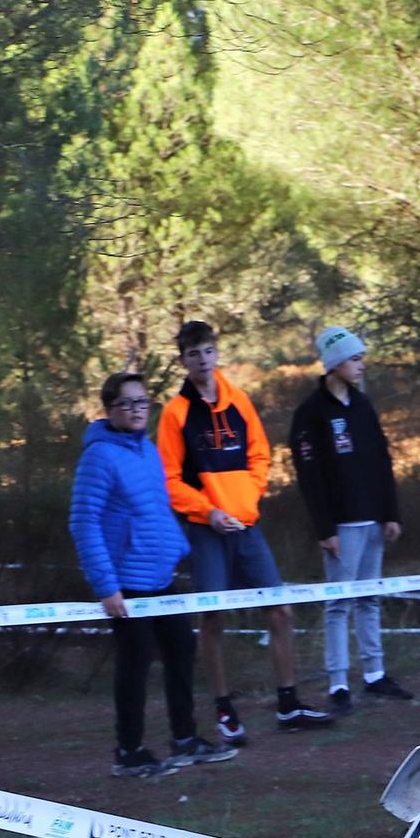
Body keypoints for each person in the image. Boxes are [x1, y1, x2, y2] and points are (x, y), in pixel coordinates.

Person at [156, 320, 332, 741]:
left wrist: (246, 503)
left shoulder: (239, 401)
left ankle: (288, 704)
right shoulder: (175, 413)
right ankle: (223, 709)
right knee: (213, 618)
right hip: (205, 530)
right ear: (183, 360)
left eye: (208, 351)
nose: (203, 360)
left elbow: (260, 456)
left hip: (247, 526)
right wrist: (210, 511)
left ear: (217, 354)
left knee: (280, 610)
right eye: (194, 354)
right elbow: (169, 479)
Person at [69, 372, 238, 778]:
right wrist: (106, 587)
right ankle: (129, 751)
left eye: (142, 402)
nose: (136, 410)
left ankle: (185, 739)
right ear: (110, 409)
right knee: (136, 662)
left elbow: (156, 509)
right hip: (126, 582)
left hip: (160, 576)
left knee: (181, 649)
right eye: (126, 403)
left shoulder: (146, 450)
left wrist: (176, 548)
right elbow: (83, 522)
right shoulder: (99, 456)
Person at [288, 325, 413, 712]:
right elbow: (309, 478)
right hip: (340, 527)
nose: (361, 366)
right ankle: (338, 682)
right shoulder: (310, 414)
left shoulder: (363, 406)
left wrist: (390, 513)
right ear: (334, 363)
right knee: (338, 603)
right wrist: (325, 529)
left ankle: (374, 675)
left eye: (361, 359)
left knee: (369, 599)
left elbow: (382, 461)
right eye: (355, 359)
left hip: (373, 521)